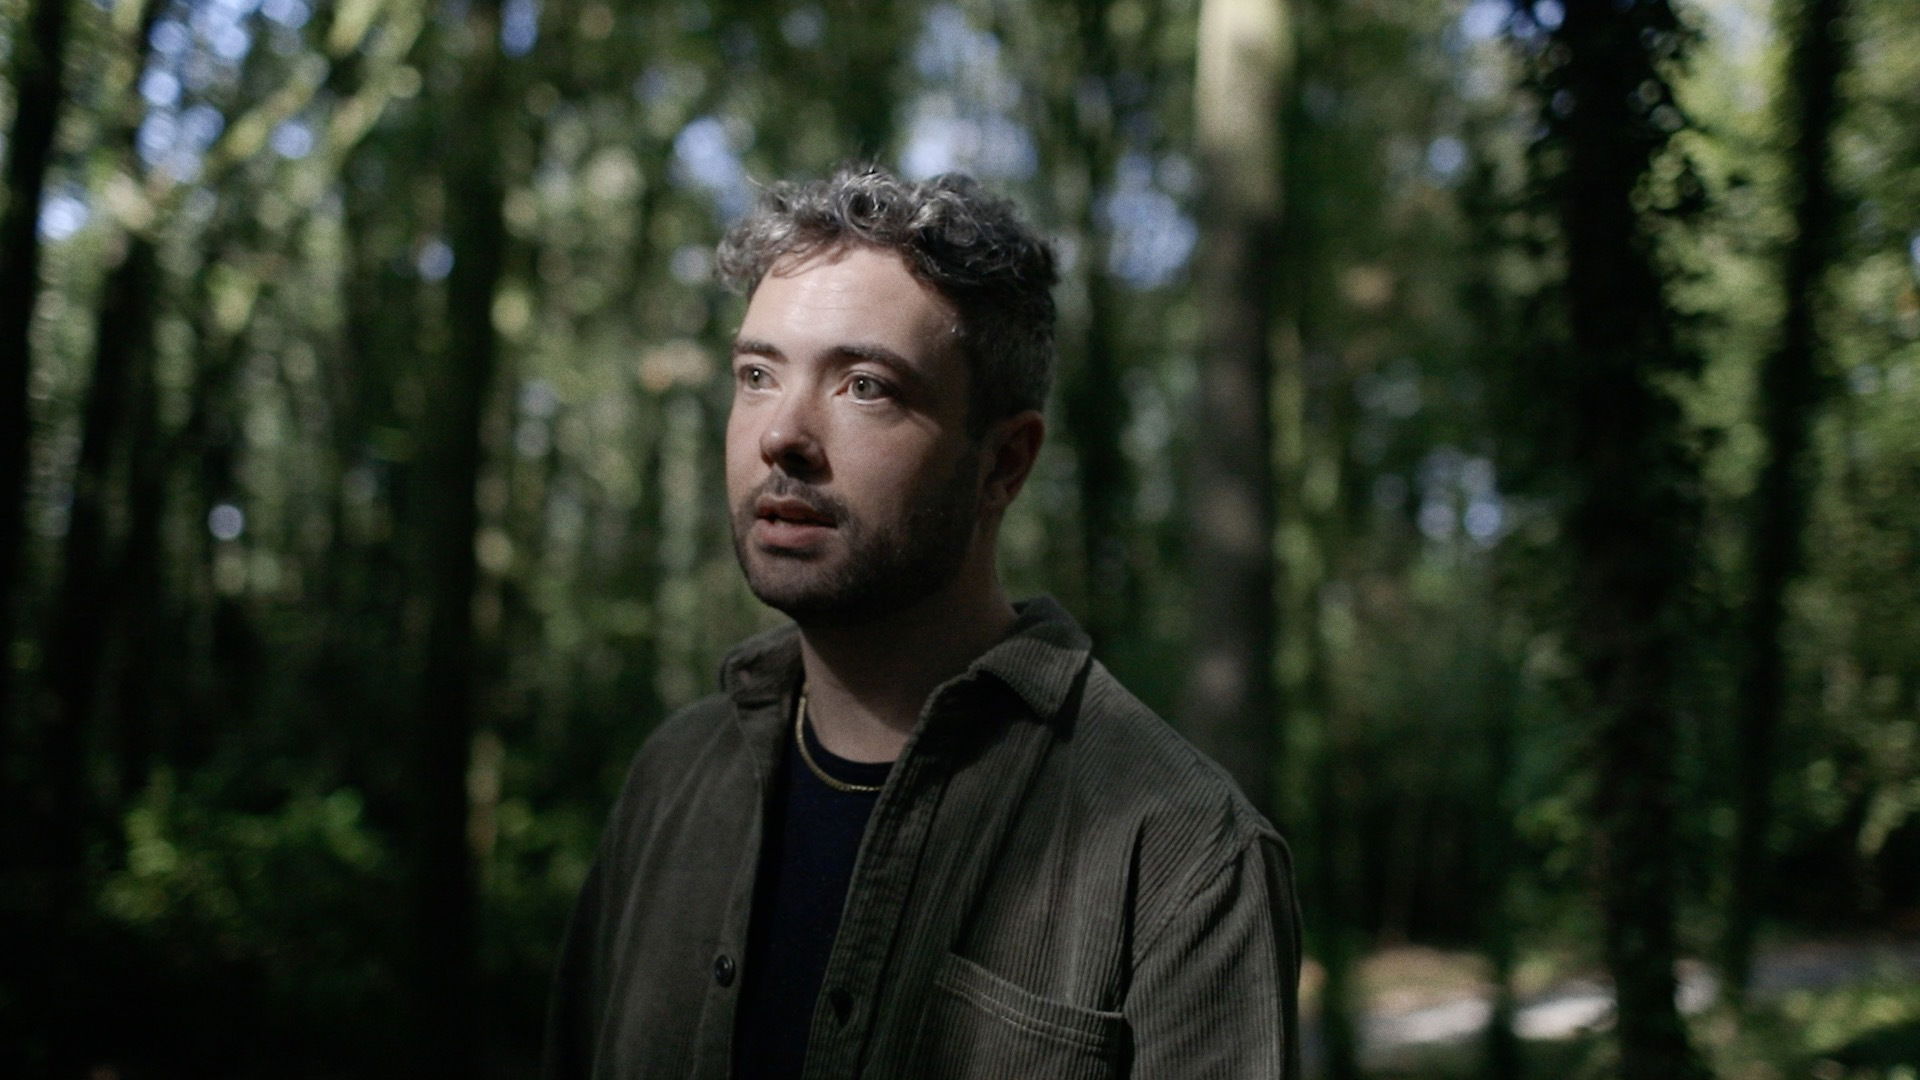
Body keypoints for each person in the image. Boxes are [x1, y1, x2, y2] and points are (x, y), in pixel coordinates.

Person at [542, 164, 1301, 1079]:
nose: (782, 433)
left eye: (865, 386)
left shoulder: (1182, 854)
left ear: (1004, 464)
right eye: (756, 374)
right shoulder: (673, 780)